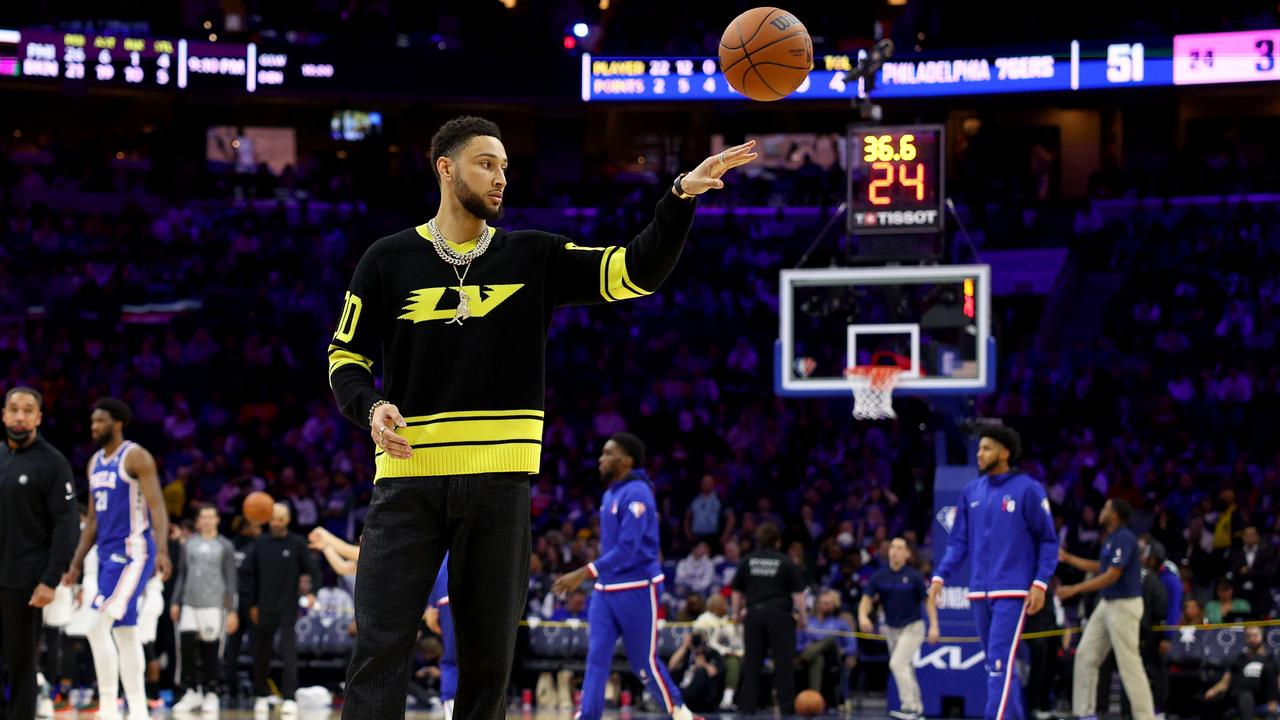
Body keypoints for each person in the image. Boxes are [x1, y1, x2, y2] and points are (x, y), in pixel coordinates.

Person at [328, 115, 755, 720]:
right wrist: (370, 408)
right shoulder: (387, 259)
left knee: (488, 663)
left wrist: (679, 196)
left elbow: (635, 272)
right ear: (445, 168)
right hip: (407, 481)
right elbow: (345, 357)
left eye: (505, 166)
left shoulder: (534, 255)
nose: (501, 177)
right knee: (378, 647)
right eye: (486, 163)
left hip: (501, 484)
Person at [552, 434, 699, 720]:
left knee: (642, 663)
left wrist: (583, 573)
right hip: (606, 589)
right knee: (596, 659)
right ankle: (588, 716)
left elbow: (628, 550)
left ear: (627, 460)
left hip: (638, 587)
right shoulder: (610, 494)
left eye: (608, 453)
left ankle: (682, 713)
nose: (600, 459)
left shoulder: (638, 493)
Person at [928, 425, 1058, 720]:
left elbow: (1049, 540)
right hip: (978, 592)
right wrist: (940, 577)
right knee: (997, 666)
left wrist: (1039, 583)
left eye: (986, 448)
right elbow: (958, 542)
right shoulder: (971, 491)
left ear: (1005, 452)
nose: (980, 453)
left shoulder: (1028, 488)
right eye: (979, 448)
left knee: (999, 664)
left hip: (1011, 592)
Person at [63, 398, 172, 720]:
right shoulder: (94, 462)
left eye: (100, 421)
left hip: (134, 552)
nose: (94, 427)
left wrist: (163, 549)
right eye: (92, 421)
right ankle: (137, 709)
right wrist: (76, 562)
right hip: (107, 555)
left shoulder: (135, 456)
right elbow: (93, 520)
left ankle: (109, 706)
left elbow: (157, 506)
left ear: (117, 423)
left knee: (97, 627)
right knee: (125, 632)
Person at [0, 387, 78, 720]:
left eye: (27, 410)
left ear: (38, 418)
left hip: (24, 579)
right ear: (4, 414)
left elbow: (66, 525)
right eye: (13, 409)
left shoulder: (53, 462)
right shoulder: (0, 456)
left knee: (21, 664)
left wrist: (50, 579)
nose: (20, 416)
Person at [1057, 498, 1155, 720]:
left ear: (1116, 514)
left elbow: (1111, 575)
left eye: (1106, 508)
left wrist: (1074, 589)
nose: (1101, 511)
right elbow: (1101, 567)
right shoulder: (1111, 539)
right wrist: (1069, 558)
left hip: (1124, 604)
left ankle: (1145, 716)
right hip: (1107, 603)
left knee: (1129, 664)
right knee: (1085, 655)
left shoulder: (1125, 538)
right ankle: (1085, 713)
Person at [245, 502, 319, 717]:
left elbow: (314, 570)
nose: (276, 523)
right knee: (261, 653)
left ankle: (289, 697)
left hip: (288, 606)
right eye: (273, 518)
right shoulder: (259, 543)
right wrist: (251, 604)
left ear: (287, 520)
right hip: (262, 607)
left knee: (289, 652)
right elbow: (247, 576)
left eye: (280, 518)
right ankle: (260, 694)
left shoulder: (296, 543)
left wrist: (312, 592)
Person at [860, 537, 940, 720]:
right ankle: (918, 709)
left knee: (897, 663)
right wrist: (863, 616)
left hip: (913, 627)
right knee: (905, 666)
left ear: (907, 554)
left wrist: (934, 626)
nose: (895, 551)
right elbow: (866, 599)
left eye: (899, 548)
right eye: (892, 547)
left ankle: (909, 707)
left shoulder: (914, 576)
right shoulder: (879, 576)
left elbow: (928, 601)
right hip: (891, 629)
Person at [732, 522, 807, 715]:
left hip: (754, 615)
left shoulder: (747, 560)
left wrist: (735, 613)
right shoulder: (785, 562)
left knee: (752, 663)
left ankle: (747, 708)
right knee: (783, 663)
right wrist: (803, 617)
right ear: (778, 542)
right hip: (780, 616)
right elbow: (799, 594)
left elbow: (736, 590)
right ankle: (786, 708)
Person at [170, 505, 240, 714]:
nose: (208, 521)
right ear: (199, 521)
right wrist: (175, 601)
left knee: (211, 651)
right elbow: (182, 573)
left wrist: (232, 610)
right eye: (204, 517)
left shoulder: (225, 545)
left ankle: (211, 692)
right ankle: (191, 691)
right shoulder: (189, 543)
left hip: (214, 605)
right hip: (190, 603)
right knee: (187, 648)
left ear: (217, 519)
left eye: (211, 517)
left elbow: (231, 579)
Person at [1202, 625, 1278, 720]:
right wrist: (1214, 690)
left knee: (1269, 669)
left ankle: (1272, 712)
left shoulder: (1270, 660)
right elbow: (1226, 681)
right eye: (1248, 636)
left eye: (1255, 635)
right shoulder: (1239, 659)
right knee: (1246, 696)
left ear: (1262, 636)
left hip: (1263, 694)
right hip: (1241, 694)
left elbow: (1277, 682)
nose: (1251, 639)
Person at [796, 590, 856, 700]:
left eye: (831, 603)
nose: (829, 606)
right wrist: (810, 647)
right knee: (818, 658)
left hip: (833, 659)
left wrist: (841, 650)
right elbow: (797, 645)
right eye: (826, 603)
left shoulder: (841, 623)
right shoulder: (807, 623)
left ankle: (806, 657)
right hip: (812, 659)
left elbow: (852, 646)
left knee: (830, 640)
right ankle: (815, 699)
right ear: (818, 605)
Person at [692, 594, 742, 710]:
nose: (726, 606)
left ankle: (730, 700)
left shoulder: (726, 620)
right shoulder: (703, 620)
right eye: (723, 603)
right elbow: (705, 643)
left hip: (726, 653)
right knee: (733, 662)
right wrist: (726, 651)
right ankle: (726, 699)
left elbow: (733, 640)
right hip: (709, 655)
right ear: (715, 606)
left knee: (737, 660)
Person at [424, 555, 456, 720]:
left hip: (447, 594)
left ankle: (451, 711)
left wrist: (432, 604)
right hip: (481, 596)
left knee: (452, 660)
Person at [1229, 526, 1275, 615]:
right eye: (1247, 534)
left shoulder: (1267, 552)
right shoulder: (1236, 554)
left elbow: (1269, 572)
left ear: (1258, 537)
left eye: (1252, 534)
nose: (1250, 537)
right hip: (1240, 594)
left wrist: (1249, 571)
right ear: (1243, 537)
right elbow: (1232, 572)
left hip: (1261, 593)